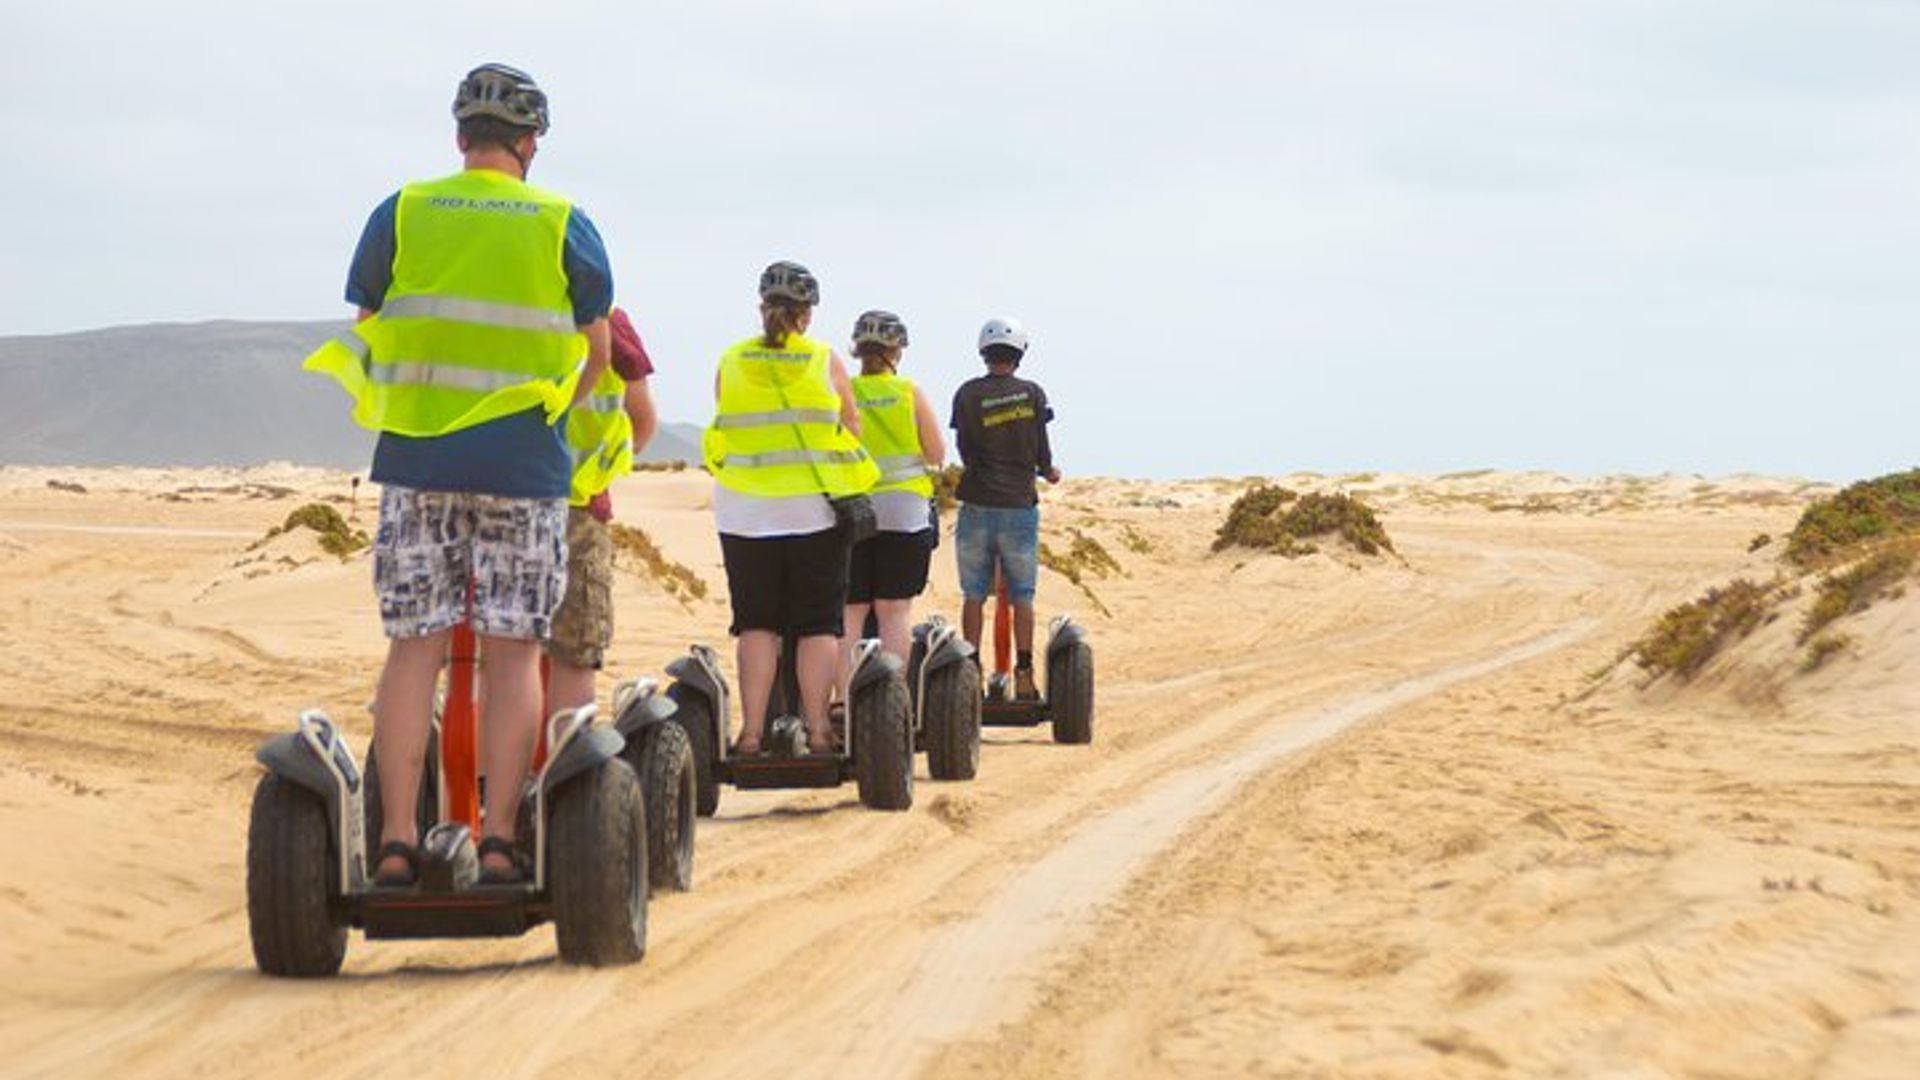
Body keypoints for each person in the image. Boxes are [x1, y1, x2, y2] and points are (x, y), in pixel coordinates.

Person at [304, 64, 613, 885]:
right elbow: (599, 352)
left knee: (414, 650)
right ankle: (501, 841)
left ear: (459, 138)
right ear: (530, 143)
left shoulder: (401, 211)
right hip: (524, 465)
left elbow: (372, 325)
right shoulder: (564, 223)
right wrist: (552, 411)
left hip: (418, 460)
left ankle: (397, 842)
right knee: (514, 652)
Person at [703, 261, 878, 756]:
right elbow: (852, 428)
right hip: (812, 512)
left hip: (743, 511)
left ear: (762, 308)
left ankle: (751, 734)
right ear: (807, 314)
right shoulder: (823, 360)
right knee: (818, 622)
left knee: (756, 623)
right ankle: (819, 731)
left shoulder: (732, 359)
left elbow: (724, 421)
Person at [545, 306, 659, 711]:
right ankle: (566, 746)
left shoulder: (500, 308)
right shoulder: (607, 319)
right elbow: (642, 423)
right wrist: (601, 468)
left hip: (496, 498)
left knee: (498, 650)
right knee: (575, 647)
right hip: (577, 507)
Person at [949, 316, 1059, 700]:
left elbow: (964, 447)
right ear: (1019, 354)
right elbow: (1041, 445)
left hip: (977, 501)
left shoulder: (967, 393)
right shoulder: (1032, 393)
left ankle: (970, 672)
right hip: (1018, 504)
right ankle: (1024, 674)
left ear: (984, 351)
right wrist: (1048, 470)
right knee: (1022, 595)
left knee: (973, 594)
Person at [842, 310, 945, 665]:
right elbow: (936, 453)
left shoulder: (845, 392)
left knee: (852, 610)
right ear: (897, 350)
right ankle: (893, 690)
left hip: (854, 509)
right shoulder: (908, 392)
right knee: (894, 610)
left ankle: (845, 692)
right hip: (904, 511)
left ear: (858, 349)